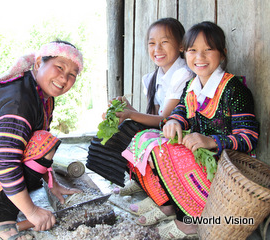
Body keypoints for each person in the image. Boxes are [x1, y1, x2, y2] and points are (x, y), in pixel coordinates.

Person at [122, 21, 259, 239]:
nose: (200, 57)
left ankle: (189, 221)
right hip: (202, 162)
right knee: (144, 139)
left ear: (222, 54)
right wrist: (174, 122)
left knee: (172, 152)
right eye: (193, 50)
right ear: (185, 54)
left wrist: (212, 141)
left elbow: (249, 138)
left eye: (208, 49)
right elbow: (180, 113)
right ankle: (167, 205)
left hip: (226, 171)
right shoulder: (192, 87)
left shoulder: (234, 89)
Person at [0, 40, 83, 240]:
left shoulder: (42, 96)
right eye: (59, 67)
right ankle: (0, 221)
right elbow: (6, 162)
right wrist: (32, 212)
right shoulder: (19, 99)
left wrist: (51, 182)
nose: (64, 78)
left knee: (42, 143)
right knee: (43, 143)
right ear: (38, 63)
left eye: (72, 74)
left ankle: (6, 207)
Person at [109, 17, 194, 198]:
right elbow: (153, 117)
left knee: (131, 133)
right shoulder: (153, 77)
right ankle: (142, 182)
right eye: (152, 43)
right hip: (164, 128)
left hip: (181, 132)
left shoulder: (183, 74)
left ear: (181, 46)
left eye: (164, 42)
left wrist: (131, 114)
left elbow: (164, 120)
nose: (157, 49)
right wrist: (129, 109)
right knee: (124, 132)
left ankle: (162, 197)